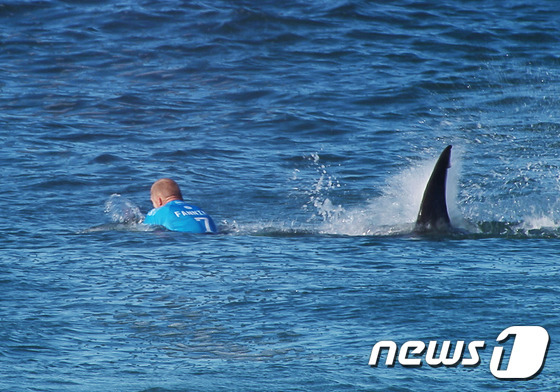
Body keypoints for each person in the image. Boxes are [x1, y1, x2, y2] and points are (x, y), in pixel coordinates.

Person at [143, 178, 217, 233]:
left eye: (152, 202)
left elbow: (145, 230)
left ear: (159, 201)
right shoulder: (198, 209)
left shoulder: (159, 212)